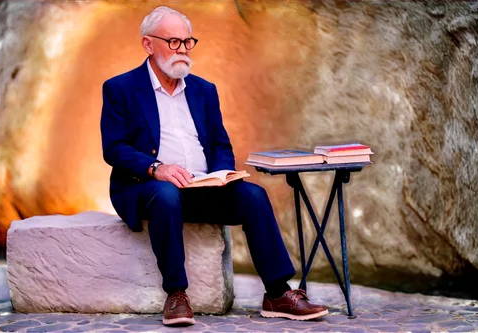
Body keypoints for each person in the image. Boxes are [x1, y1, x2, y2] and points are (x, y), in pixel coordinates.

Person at [100, 5, 328, 326]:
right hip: (146, 188)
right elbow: (114, 149)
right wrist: (156, 168)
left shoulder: (204, 90)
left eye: (188, 42)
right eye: (173, 42)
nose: (182, 50)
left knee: (254, 196)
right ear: (148, 44)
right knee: (165, 196)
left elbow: (220, 144)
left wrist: (222, 174)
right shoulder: (120, 88)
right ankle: (177, 294)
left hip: (201, 188)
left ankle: (277, 293)